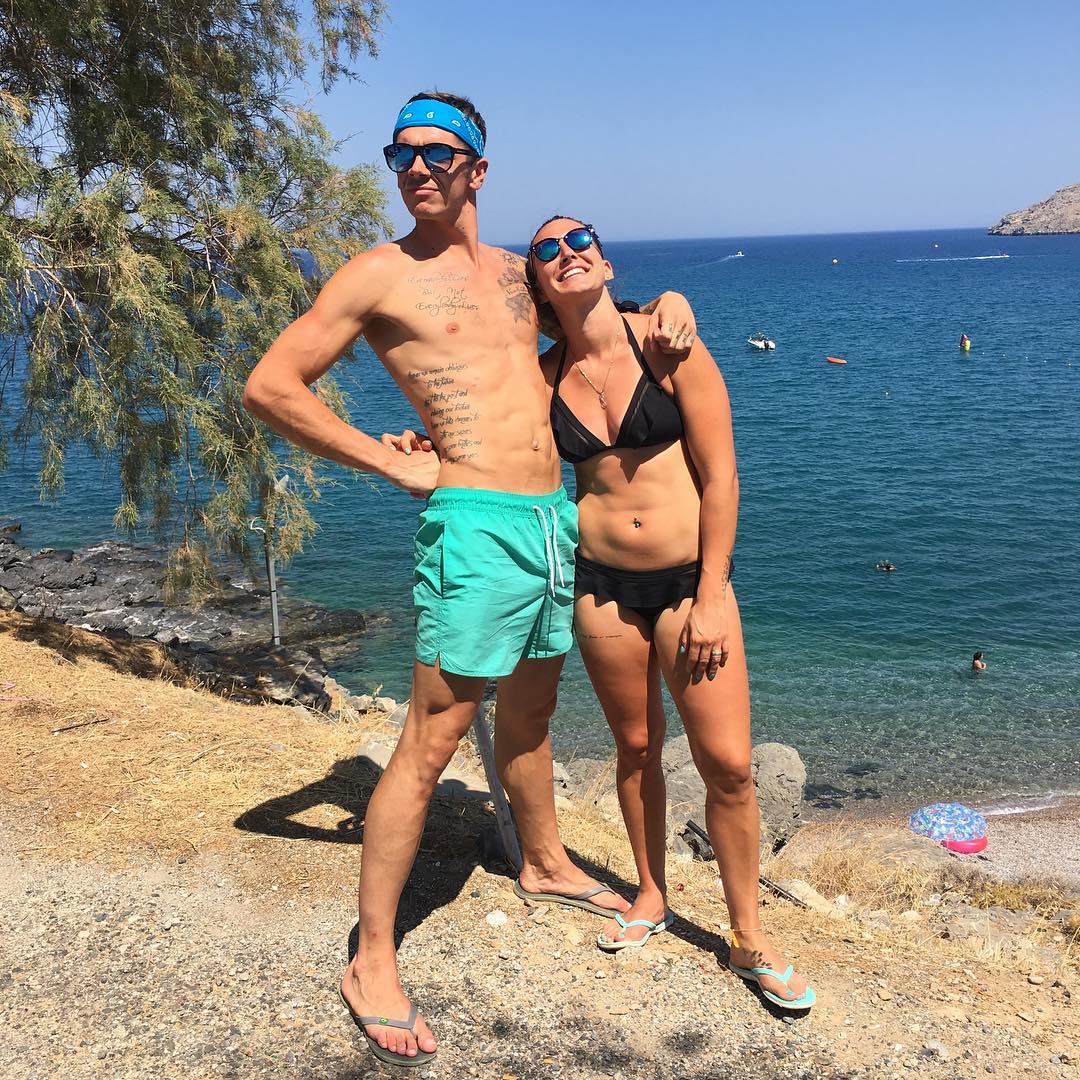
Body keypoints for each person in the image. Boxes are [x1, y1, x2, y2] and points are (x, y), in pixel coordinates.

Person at [242, 94, 695, 1065]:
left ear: (477, 169)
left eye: (438, 153)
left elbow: (599, 325)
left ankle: (543, 861)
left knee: (531, 713)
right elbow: (270, 386)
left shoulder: (519, 273)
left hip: (552, 519)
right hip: (477, 526)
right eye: (401, 153)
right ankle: (372, 960)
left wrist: (668, 305)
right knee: (430, 742)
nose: (416, 168)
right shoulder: (378, 274)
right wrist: (385, 458)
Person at [524, 215, 814, 1011]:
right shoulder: (543, 376)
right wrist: (419, 447)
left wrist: (713, 595)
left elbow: (722, 477)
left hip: (690, 587)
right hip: (601, 587)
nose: (566, 252)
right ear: (541, 283)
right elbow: (491, 442)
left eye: (579, 239)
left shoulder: (667, 345)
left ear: (606, 261)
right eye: (546, 249)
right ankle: (651, 894)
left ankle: (747, 937)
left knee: (728, 765)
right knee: (636, 746)